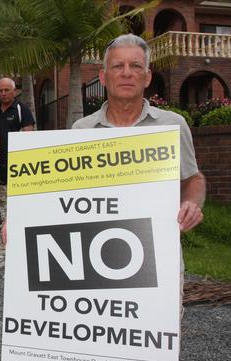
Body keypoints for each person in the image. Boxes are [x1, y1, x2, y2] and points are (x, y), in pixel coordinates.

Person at [72, 34, 205, 233]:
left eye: (135, 66)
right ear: (103, 77)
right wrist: (23, 221)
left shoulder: (173, 125)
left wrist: (191, 204)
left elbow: (193, 179)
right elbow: (63, 196)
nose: (127, 73)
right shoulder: (81, 131)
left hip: (158, 252)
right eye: (118, 66)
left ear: (147, 77)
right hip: (97, 249)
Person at [0, 77, 35, 185]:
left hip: (15, 165)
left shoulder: (22, 109)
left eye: (7, 90)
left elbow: (29, 137)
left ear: (14, 91)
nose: (3, 93)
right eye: (0, 91)